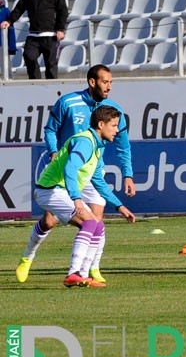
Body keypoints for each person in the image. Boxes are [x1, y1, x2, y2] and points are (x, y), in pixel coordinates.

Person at [16, 65, 135, 284]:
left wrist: (126, 182)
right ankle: (30, 258)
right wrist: (54, 152)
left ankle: (91, 270)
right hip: (62, 176)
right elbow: (51, 130)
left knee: (96, 221)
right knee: (52, 222)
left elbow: (123, 145)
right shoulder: (69, 104)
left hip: (90, 172)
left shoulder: (112, 111)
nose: (109, 87)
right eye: (105, 82)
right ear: (92, 82)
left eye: (111, 82)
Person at [34, 105, 136, 287]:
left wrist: (120, 207)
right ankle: (73, 273)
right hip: (50, 190)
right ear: (101, 124)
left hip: (59, 191)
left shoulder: (97, 148)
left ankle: (82, 275)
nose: (117, 130)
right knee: (89, 222)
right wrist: (77, 198)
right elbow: (70, 169)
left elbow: (99, 183)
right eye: (113, 125)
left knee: (96, 224)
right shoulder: (85, 142)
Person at [0, 0, 67, 79]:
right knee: (29, 57)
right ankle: (36, 83)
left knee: (51, 65)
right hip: (33, 36)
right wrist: (9, 21)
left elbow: (63, 11)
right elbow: (19, 9)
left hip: (50, 36)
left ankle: (51, 90)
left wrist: (60, 29)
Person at [0, 0, 17, 77]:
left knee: (6, 67)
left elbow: (11, 31)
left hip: (2, 44)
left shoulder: (5, 11)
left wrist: (12, 47)